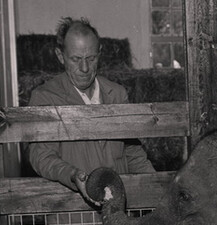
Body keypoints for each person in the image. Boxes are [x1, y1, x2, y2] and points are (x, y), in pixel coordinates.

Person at [27, 17, 155, 205]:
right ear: (60, 56)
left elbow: (132, 152)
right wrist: (72, 175)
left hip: (118, 214)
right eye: (76, 59)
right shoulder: (45, 98)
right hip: (72, 217)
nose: (85, 68)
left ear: (100, 53)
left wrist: (159, 187)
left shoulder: (117, 94)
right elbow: (42, 156)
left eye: (91, 58)